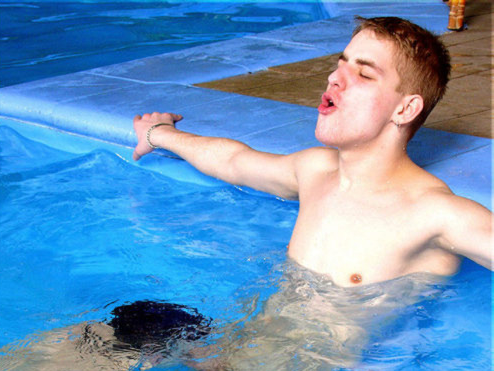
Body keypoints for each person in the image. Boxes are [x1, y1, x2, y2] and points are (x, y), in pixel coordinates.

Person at [132, 16, 493, 286]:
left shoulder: (434, 213)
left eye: (364, 74)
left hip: (299, 369)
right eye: (340, 65)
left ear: (405, 109)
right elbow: (233, 161)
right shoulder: (316, 170)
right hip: (225, 347)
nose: (334, 78)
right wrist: (159, 134)